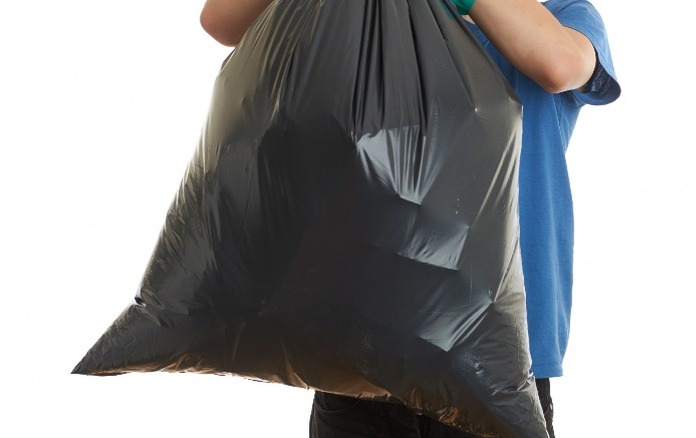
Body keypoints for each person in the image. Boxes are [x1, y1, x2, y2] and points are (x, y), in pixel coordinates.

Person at [199, 0, 620, 436]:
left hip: (497, 361)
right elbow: (220, 21)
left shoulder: (566, 13)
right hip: (362, 353)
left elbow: (559, 63)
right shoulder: (368, 17)